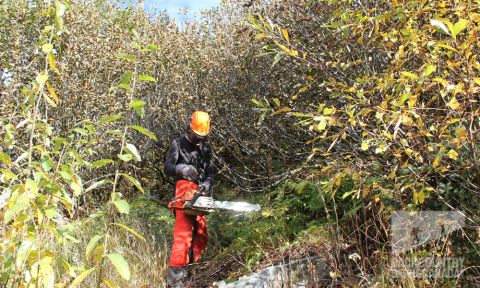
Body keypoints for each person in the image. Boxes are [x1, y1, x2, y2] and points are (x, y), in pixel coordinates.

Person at [164, 111, 214, 287]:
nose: (199, 138)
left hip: (200, 196)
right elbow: (168, 167)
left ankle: (189, 271)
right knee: (183, 236)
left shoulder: (205, 148)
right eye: (196, 135)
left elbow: (209, 172)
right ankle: (176, 280)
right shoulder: (177, 144)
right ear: (189, 127)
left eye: (202, 135)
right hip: (182, 195)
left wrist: (207, 183)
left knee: (200, 235)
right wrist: (181, 169)